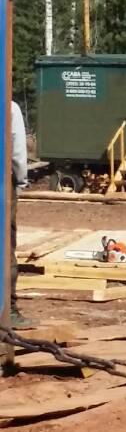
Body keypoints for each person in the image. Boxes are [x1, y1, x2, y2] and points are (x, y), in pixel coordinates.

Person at [8, 101, 36, 330]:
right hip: (2, 185)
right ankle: (8, 310)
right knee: (5, 246)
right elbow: (17, 151)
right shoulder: (9, 107)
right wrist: (20, 181)